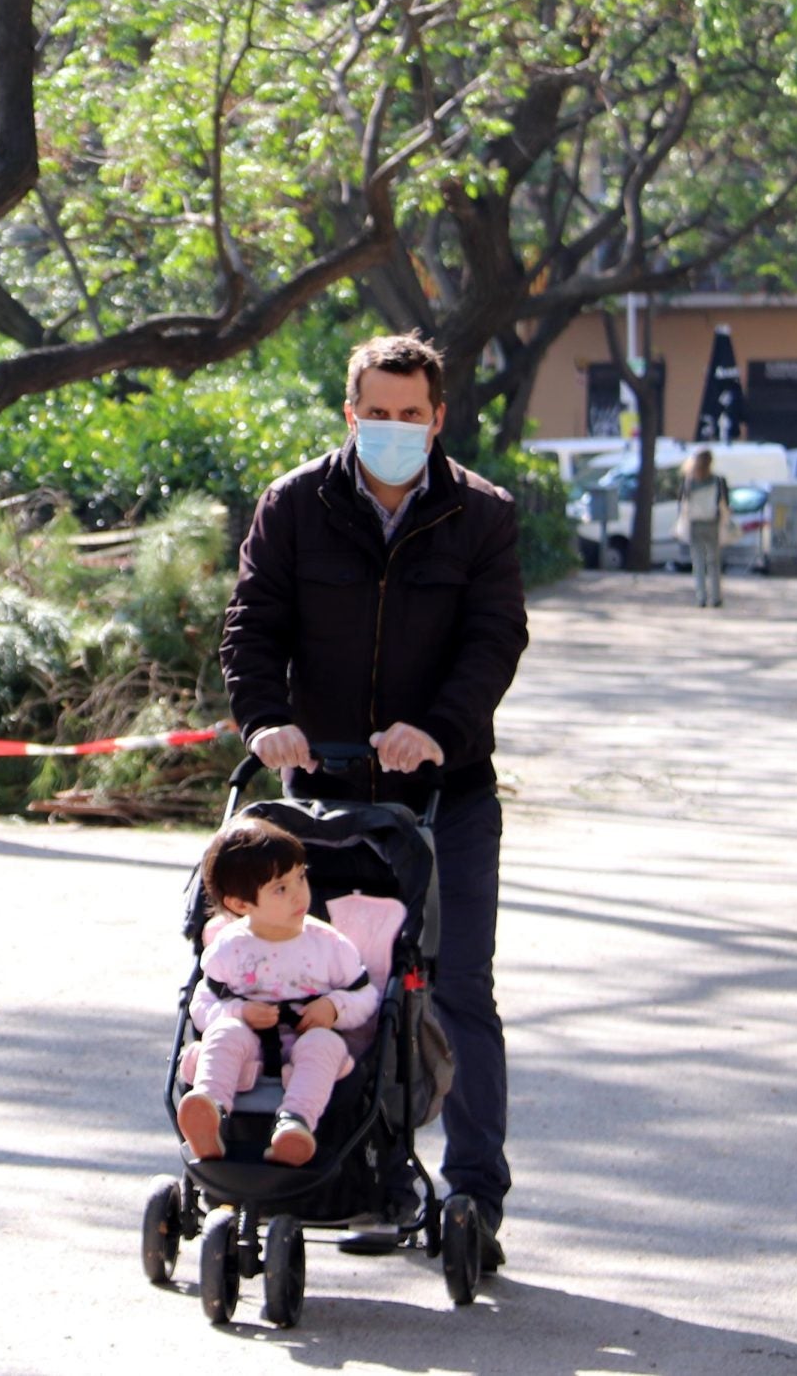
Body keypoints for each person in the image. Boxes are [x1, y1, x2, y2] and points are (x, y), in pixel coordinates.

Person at [221, 332, 528, 1265]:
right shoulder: (295, 504)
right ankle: (359, 1171)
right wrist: (265, 719)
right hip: (321, 803)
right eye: (377, 413)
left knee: (452, 987)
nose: (394, 429)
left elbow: (494, 638)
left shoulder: (481, 515)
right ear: (350, 414)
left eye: (412, 415)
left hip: (447, 798)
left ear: (438, 418)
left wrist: (436, 726)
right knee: (330, 988)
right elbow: (252, 621)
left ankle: (474, 1192)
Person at [177, 821, 376, 1168]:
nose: (300, 893)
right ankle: (210, 1108)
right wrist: (238, 1012)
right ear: (240, 903)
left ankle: (295, 1124)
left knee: (324, 1044)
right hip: (247, 1049)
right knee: (224, 1032)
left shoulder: (328, 944)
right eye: (280, 888)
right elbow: (203, 1003)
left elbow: (366, 996)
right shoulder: (229, 947)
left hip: (306, 1043)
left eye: (301, 877)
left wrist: (333, 1006)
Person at [680, 448, 730, 608]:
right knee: (714, 562)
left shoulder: (689, 481)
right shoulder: (717, 480)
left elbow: (682, 502)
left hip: (695, 522)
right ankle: (716, 597)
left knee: (698, 561)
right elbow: (725, 502)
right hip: (712, 522)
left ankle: (701, 597)